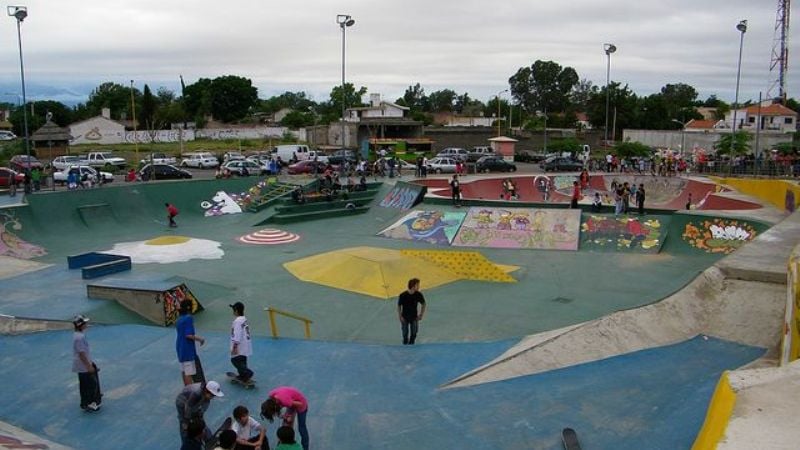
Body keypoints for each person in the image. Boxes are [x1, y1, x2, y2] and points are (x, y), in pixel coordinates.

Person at [176, 381, 224, 445]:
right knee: (185, 424)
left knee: (200, 422)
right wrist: (188, 421)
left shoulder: (206, 393)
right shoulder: (196, 393)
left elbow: (204, 406)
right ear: (207, 391)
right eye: (213, 395)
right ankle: (187, 444)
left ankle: (209, 439)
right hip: (182, 402)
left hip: (192, 401)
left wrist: (200, 417)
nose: (213, 397)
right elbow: (188, 407)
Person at [72, 314, 102, 412]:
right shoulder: (79, 338)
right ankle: (90, 402)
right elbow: (81, 354)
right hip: (83, 366)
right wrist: (89, 366)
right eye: (85, 323)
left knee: (89, 382)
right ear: (80, 325)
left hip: (84, 364)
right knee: (90, 384)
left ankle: (92, 399)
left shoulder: (79, 335)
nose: (87, 324)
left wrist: (91, 363)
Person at [176, 299, 206, 385]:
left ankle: (186, 389)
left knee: (184, 370)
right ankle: (190, 391)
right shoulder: (188, 318)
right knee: (189, 371)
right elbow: (188, 335)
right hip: (187, 349)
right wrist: (200, 339)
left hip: (180, 347)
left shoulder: (179, 319)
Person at [229, 302, 254, 384]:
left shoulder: (237, 321)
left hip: (240, 345)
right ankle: (243, 376)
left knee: (235, 360)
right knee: (242, 360)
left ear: (236, 311)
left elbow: (237, 334)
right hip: (245, 344)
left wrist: (235, 347)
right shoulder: (243, 319)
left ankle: (247, 373)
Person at [397, 278, 426, 345]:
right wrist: (400, 316)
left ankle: (411, 344)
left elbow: (424, 304)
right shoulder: (403, 295)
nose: (419, 287)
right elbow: (399, 306)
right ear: (413, 286)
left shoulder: (418, 294)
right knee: (405, 333)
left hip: (414, 317)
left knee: (414, 332)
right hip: (405, 317)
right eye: (417, 285)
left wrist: (421, 314)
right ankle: (405, 343)